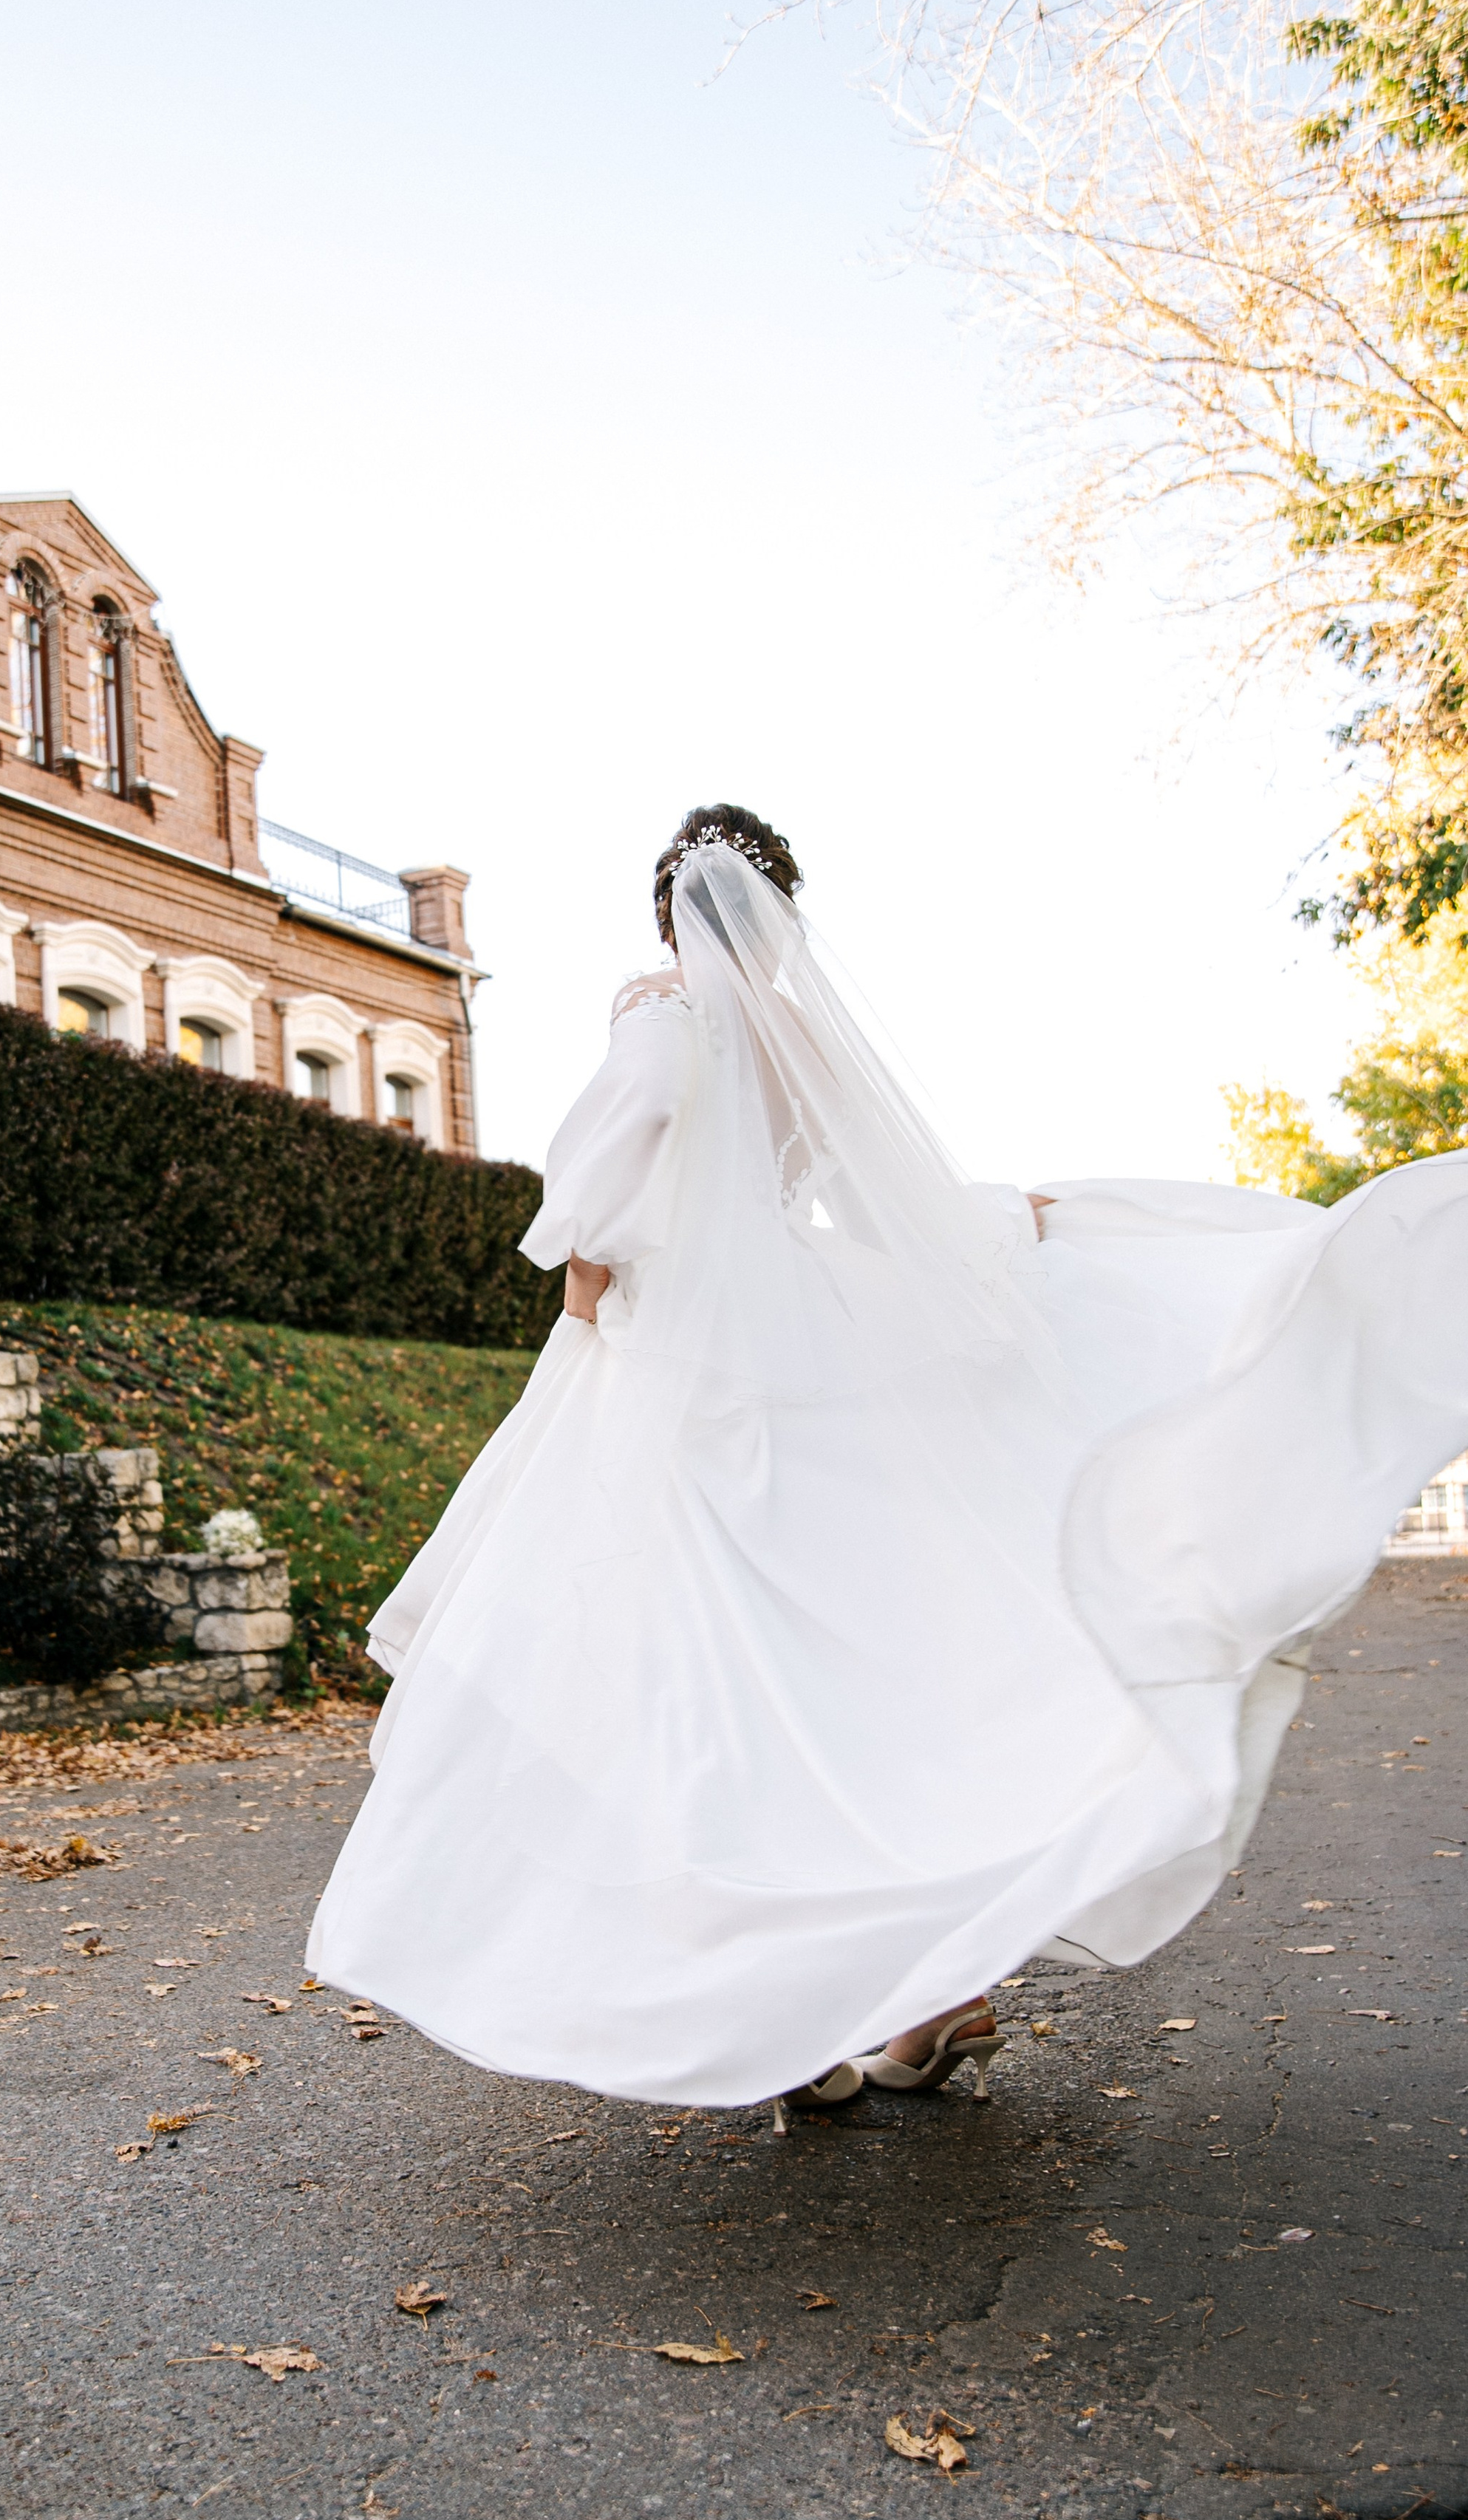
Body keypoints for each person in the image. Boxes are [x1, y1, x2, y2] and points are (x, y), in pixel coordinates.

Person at [308, 805, 1468, 2115]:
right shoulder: (800, 1035)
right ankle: (923, 2000)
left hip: (676, 1385)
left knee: (704, 1706)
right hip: (793, 1359)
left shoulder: (659, 1010)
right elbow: (843, 1198)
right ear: (779, 914)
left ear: (668, 916)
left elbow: (619, 1160)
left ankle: (812, 2023)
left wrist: (580, 1282)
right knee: (830, 1696)